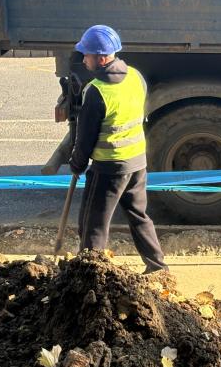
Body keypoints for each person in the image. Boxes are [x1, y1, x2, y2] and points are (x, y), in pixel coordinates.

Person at [69, 25, 168, 274]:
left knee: (93, 225)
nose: (84, 59)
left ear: (101, 58)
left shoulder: (96, 91)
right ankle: (157, 267)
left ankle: (89, 275)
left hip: (108, 168)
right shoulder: (135, 76)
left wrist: (77, 163)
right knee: (139, 215)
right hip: (136, 163)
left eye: (87, 54)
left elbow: (85, 139)